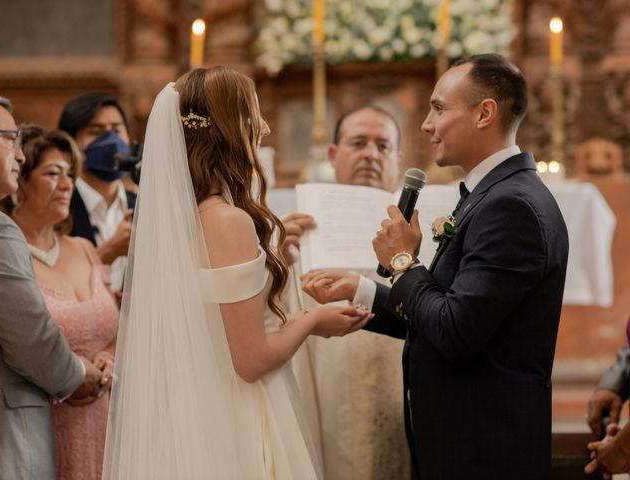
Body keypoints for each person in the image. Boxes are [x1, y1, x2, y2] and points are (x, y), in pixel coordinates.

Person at [302, 54, 569, 479]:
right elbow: (442, 310)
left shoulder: (511, 206)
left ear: (485, 114)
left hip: (485, 449)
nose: (426, 124)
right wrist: (362, 289)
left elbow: (453, 330)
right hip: (464, 440)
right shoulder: (492, 194)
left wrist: (404, 262)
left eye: (439, 108)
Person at [102, 67, 371, 479]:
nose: (263, 128)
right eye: (251, 115)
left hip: (196, 405)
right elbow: (251, 359)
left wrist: (275, 258)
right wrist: (311, 320)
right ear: (227, 129)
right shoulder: (228, 222)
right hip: (237, 413)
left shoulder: (190, 218)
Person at [288, 106, 410, 480]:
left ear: (398, 159)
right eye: (358, 143)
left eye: (382, 146)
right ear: (332, 154)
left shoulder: (417, 227)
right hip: (327, 383)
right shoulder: (300, 226)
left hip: (402, 383)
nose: (370, 154)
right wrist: (276, 256)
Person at [0, 92, 101, 479]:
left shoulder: (83, 250)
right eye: (9, 139)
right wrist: (78, 374)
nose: (18, 155)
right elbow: (29, 335)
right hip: (6, 436)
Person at [58, 93, 136, 290]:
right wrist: (110, 251)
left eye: (117, 130)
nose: (110, 140)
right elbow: (54, 284)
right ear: (72, 143)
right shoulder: (58, 207)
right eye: (96, 131)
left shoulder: (144, 205)